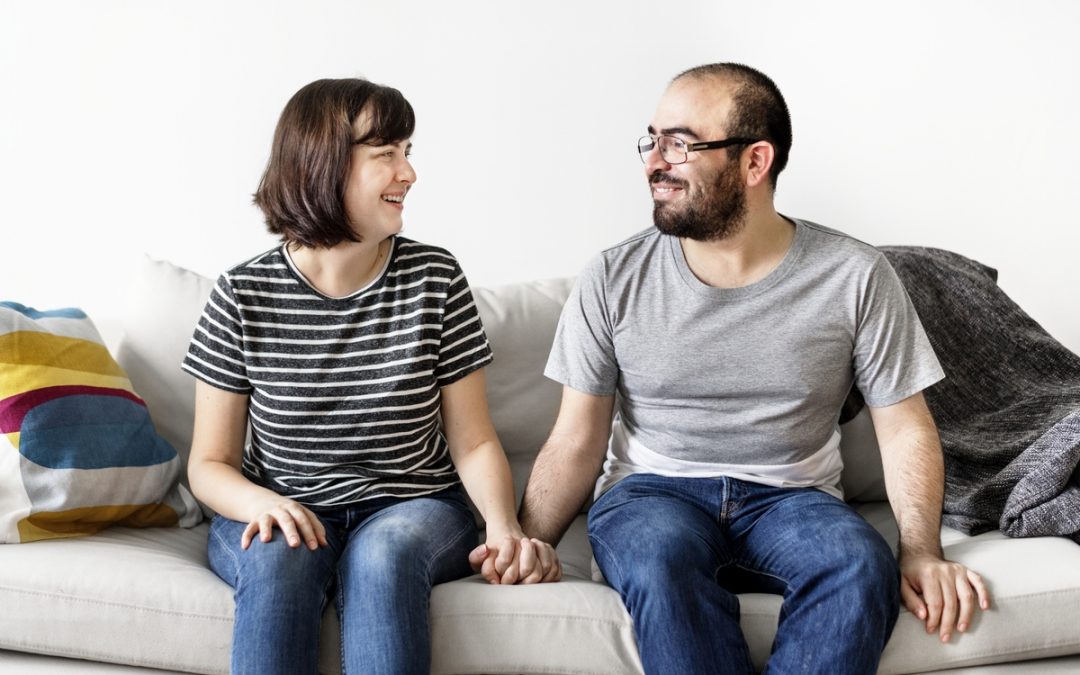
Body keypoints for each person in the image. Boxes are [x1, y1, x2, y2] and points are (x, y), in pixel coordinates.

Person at [510, 63, 991, 674]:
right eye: (651, 140)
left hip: (793, 498)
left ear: (755, 162)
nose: (654, 162)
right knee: (660, 560)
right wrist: (526, 542)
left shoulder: (855, 276)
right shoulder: (612, 277)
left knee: (859, 565)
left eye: (679, 144)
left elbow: (905, 428)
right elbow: (576, 438)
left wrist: (920, 551)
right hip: (652, 496)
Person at [182, 78, 560, 675]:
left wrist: (502, 524)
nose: (408, 173)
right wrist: (267, 504)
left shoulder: (434, 277)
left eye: (407, 152)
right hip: (286, 501)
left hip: (415, 505)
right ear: (322, 163)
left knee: (384, 553)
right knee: (281, 554)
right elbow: (209, 463)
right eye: (387, 153)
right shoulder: (241, 295)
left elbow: (473, 438)